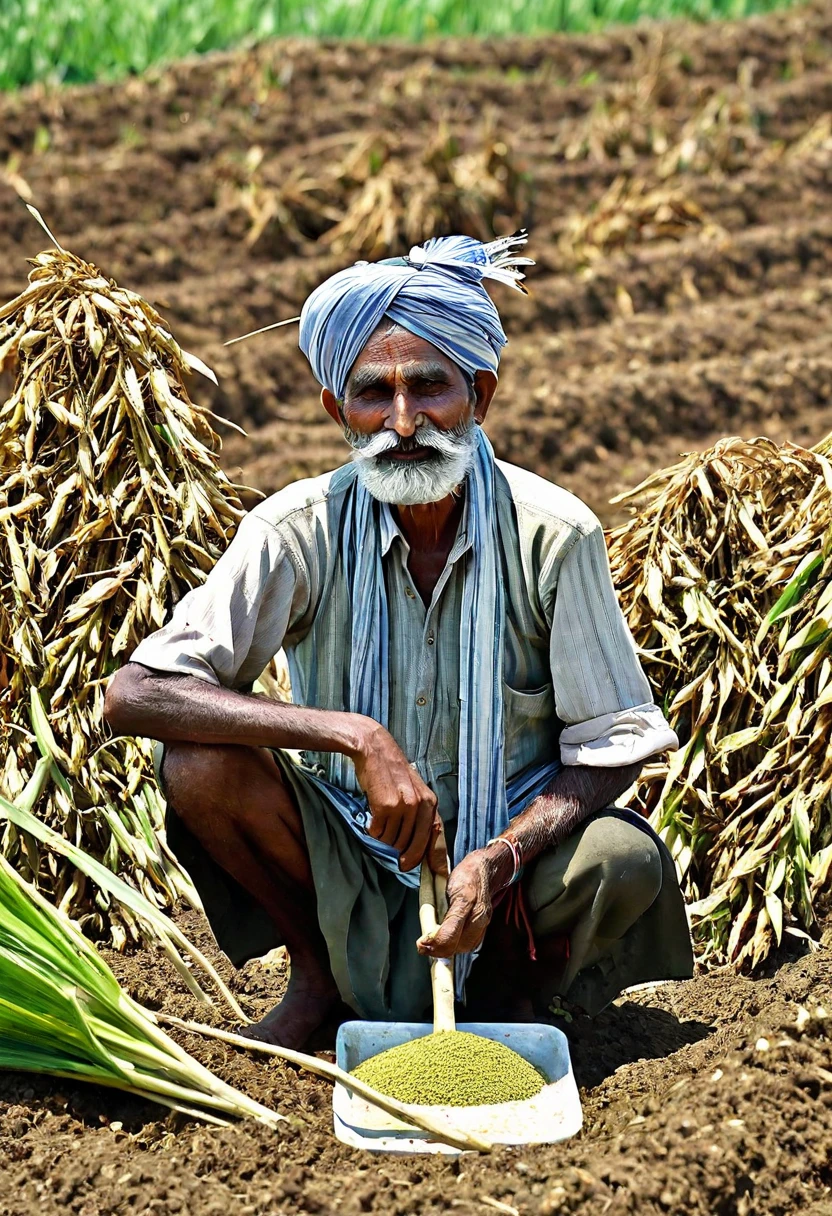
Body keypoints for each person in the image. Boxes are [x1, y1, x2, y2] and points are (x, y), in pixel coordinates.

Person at [104, 233, 693, 1050]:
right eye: (374, 393)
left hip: (505, 864)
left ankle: (509, 992)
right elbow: (136, 694)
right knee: (199, 762)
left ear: (480, 394)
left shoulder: (553, 534)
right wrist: (354, 737)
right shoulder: (297, 529)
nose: (404, 422)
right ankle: (318, 977)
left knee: (621, 856)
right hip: (345, 842)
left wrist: (505, 853)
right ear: (336, 411)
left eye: (430, 387)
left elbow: (615, 742)